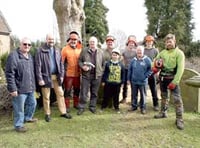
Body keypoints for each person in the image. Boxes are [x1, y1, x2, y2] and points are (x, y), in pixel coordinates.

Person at [35, 33, 72, 122]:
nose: (51, 41)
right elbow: (38, 66)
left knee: (60, 94)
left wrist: (62, 76)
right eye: (49, 39)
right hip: (46, 77)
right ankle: (47, 114)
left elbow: (61, 64)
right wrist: (40, 79)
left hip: (56, 76)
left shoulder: (57, 50)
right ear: (46, 40)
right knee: (46, 96)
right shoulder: (40, 50)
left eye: (52, 40)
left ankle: (63, 112)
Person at [153, 34, 185, 130]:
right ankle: (163, 113)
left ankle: (179, 119)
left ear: (174, 41)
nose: (168, 43)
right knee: (163, 97)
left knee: (177, 100)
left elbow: (181, 69)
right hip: (163, 78)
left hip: (173, 79)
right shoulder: (162, 53)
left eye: (170, 41)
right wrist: (154, 67)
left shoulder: (179, 53)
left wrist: (175, 82)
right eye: (167, 42)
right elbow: (155, 61)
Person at [5, 37, 37, 133]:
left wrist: (34, 86)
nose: (27, 46)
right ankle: (18, 125)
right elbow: (9, 73)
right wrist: (13, 89)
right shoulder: (13, 56)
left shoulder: (30, 56)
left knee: (33, 103)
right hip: (19, 89)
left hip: (30, 87)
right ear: (20, 44)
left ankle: (27, 118)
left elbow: (31, 72)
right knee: (19, 108)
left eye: (29, 45)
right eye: (25, 44)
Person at [77, 36, 105, 115]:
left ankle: (92, 107)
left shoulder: (101, 52)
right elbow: (79, 61)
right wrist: (83, 67)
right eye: (91, 42)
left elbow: (104, 63)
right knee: (84, 92)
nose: (92, 43)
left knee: (94, 92)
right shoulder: (84, 51)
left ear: (96, 43)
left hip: (97, 76)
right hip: (86, 75)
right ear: (89, 43)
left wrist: (101, 72)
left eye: (94, 42)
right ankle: (81, 107)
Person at [61, 31, 82, 113]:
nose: (73, 41)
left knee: (77, 90)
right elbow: (61, 62)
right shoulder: (65, 49)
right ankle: (66, 106)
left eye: (75, 39)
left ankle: (76, 104)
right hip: (68, 74)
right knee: (67, 91)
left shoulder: (80, 49)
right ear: (69, 39)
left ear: (77, 40)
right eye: (72, 39)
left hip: (77, 74)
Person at [127, 46, 152, 114]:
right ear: (136, 51)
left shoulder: (147, 60)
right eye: (138, 50)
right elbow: (130, 70)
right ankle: (134, 106)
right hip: (134, 81)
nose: (139, 52)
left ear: (143, 51)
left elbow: (151, 69)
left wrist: (145, 76)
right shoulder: (133, 60)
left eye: (140, 50)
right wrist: (128, 79)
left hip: (143, 81)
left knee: (143, 95)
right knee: (134, 94)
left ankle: (143, 108)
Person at [101, 48, 125, 113]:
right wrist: (103, 81)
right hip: (108, 83)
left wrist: (122, 82)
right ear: (112, 55)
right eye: (113, 55)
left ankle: (116, 107)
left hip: (117, 83)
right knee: (106, 95)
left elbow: (123, 74)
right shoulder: (108, 63)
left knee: (116, 96)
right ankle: (103, 106)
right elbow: (105, 72)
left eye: (116, 55)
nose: (115, 56)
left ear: (118, 56)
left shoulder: (121, 64)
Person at [143, 35, 159, 111]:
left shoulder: (155, 51)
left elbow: (159, 62)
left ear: (153, 42)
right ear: (145, 42)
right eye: (147, 41)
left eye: (150, 41)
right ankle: (143, 104)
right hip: (144, 72)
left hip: (153, 72)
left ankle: (156, 104)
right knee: (143, 89)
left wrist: (157, 72)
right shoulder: (143, 50)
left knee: (153, 89)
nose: (149, 43)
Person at [120, 35, 137, 104]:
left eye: (132, 43)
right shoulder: (124, 51)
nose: (131, 44)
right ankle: (124, 98)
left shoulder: (136, 52)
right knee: (124, 84)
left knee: (133, 85)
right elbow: (120, 58)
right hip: (126, 69)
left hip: (133, 70)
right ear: (128, 44)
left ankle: (133, 100)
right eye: (130, 43)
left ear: (134, 44)